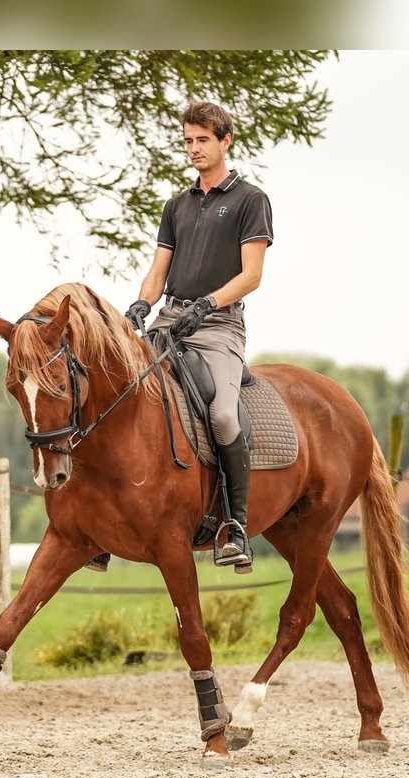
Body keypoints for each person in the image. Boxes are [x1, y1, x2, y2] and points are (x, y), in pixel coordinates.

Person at [124, 100, 273, 570]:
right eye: (188, 140)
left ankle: (238, 528)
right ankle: (103, 526)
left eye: (203, 140)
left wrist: (209, 302)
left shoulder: (251, 200)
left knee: (224, 418)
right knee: (120, 394)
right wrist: (142, 305)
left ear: (225, 140)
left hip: (219, 328)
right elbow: (158, 271)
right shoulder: (177, 206)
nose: (194, 149)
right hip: (170, 320)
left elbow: (252, 276)